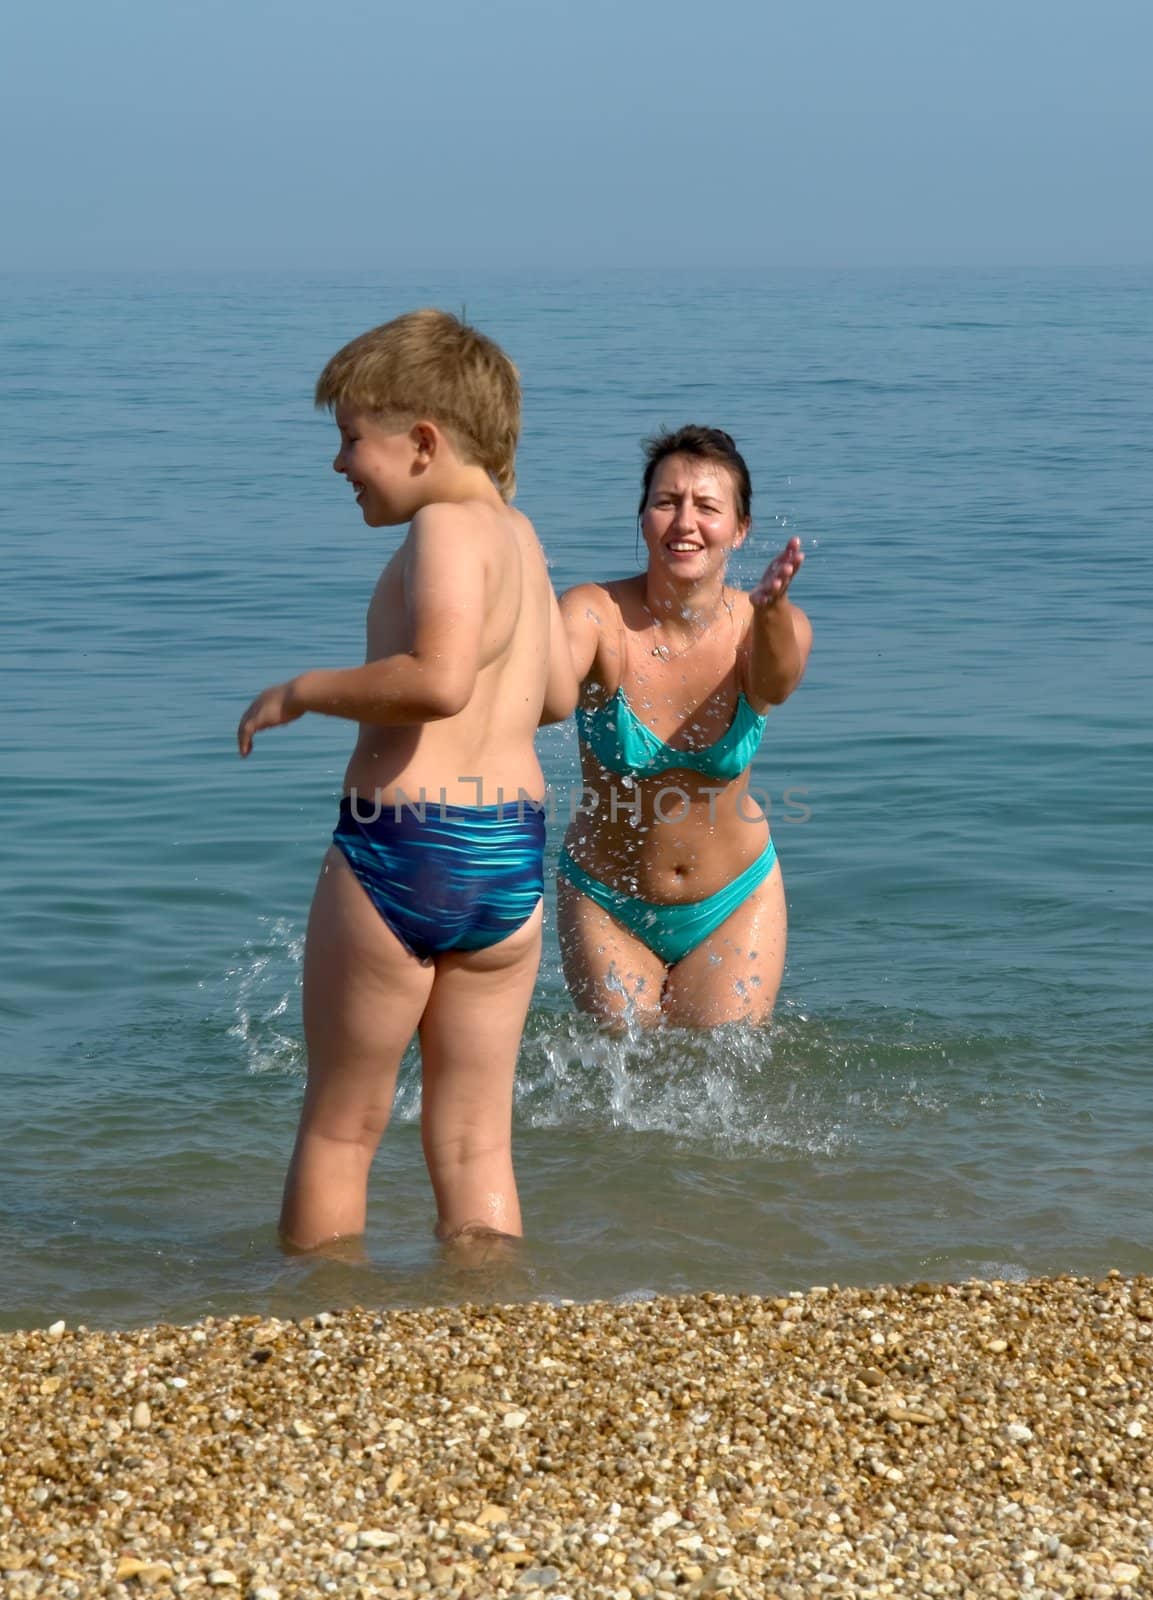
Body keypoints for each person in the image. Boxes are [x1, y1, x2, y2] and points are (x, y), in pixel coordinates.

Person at [237, 309, 577, 1254]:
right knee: (475, 1141)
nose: (340, 464)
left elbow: (436, 679)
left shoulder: (442, 530)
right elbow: (552, 695)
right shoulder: (521, 536)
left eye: (352, 439)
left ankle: (321, 1332)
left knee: (342, 1127)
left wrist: (302, 690)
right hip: (505, 858)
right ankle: (490, 1324)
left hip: (405, 847)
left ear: (424, 442)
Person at [557, 425, 810, 1029]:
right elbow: (543, 693)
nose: (684, 523)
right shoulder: (594, 614)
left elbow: (775, 684)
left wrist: (770, 613)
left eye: (707, 507)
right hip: (606, 900)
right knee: (623, 1085)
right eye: (666, 502)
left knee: (721, 1087)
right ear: (643, 516)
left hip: (734, 898)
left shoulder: (771, 624)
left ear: (741, 528)